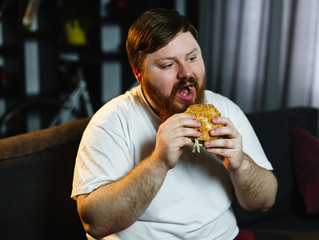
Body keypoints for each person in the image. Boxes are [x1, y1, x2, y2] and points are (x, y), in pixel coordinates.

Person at [71, 8, 278, 240]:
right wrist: (158, 162)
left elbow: (266, 201)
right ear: (139, 73)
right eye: (169, 65)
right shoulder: (110, 122)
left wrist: (240, 163)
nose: (186, 73)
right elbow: (95, 223)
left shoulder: (225, 110)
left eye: (192, 58)